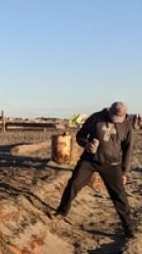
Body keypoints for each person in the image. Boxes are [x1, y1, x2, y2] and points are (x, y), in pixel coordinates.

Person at [55, 101, 135, 237]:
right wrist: (86, 145)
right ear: (109, 111)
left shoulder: (127, 124)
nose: (115, 120)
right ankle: (61, 211)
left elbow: (128, 148)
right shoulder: (96, 118)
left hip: (112, 164)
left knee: (119, 196)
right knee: (74, 184)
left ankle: (128, 228)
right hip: (89, 160)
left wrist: (124, 171)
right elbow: (80, 136)